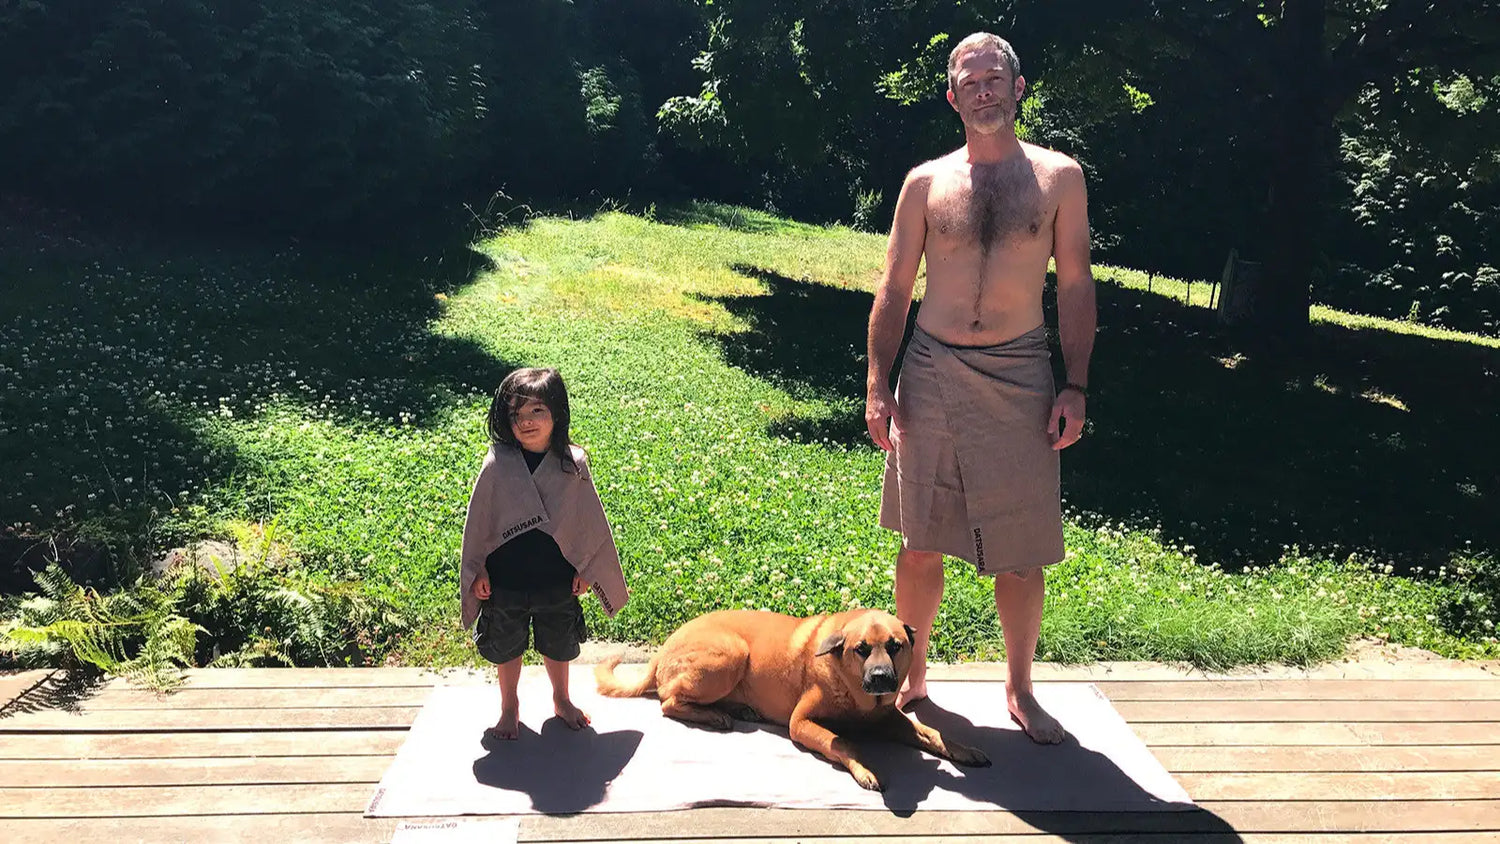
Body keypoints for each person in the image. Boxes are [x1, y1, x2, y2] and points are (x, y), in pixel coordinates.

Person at [864, 32, 1097, 744]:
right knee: (920, 539)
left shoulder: (1060, 177)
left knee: (1023, 548)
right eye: (971, 81)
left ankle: (1020, 687)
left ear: (1019, 88)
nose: (985, 89)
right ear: (952, 96)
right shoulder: (926, 182)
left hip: (1022, 369)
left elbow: (1077, 283)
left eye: (996, 76)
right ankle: (916, 676)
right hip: (930, 370)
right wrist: (879, 382)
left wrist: (1075, 383)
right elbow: (896, 284)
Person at [460, 367, 630, 742]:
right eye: (516, 414)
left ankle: (561, 698)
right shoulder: (498, 465)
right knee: (507, 643)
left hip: (556, 575)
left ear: (557, 412)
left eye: (537, 411)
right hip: (506, 578)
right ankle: (509, 706)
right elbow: (481, 525)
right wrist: (480, 570)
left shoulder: (573, 464)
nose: (526, 422)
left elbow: (587, 523)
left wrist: (585, 567)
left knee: (558, 640)